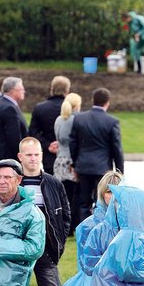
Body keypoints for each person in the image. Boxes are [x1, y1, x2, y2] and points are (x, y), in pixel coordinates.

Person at [14, 137, 74, 286]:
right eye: (28, 154)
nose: (33, 158)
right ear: (20, 157)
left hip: (47, 252)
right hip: (20, 253)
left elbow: (66, 215)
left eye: (37, 154)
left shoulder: (52, 183)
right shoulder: (14, 184)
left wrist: (58, 242)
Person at [70, 88, 125, 224]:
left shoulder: (79, 118)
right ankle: (101, 226)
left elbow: (73, 143)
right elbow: (117, 149)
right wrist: (119, 172)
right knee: (102, 200)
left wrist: (75, 164)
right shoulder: (111, 121)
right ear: (107, 102)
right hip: (102, 168)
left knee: (83, 202)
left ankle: (84, 228)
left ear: (93, 100)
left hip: (83, 166)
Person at [52, 92, 81, 229]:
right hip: (70, 160)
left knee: (62, 196)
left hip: (59, 160)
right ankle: (71, 225)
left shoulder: (59, 119)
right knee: (74, 196)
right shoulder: (75, 120)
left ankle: (62, 223)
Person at [29, 76, 69, 175]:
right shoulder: (71, 110)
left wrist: (48, 145)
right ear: (67, 90)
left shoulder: (40, 108)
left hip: (47, 156)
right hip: (67, 157)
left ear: (52, 89)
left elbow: (33, 132)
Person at [0, 77, 29, 166]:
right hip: (8, 160)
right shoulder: (9, 108)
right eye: (21, 89)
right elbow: (14, 138)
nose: (24, 91)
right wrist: (22, 159)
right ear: (12, 91)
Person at [125, 11, 144, 75]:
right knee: (136, 52)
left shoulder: (138, 19)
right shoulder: (130, 23)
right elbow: (132, 31)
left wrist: (138, 34)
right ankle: (139, 69)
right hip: (138, 39)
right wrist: (134, 37)